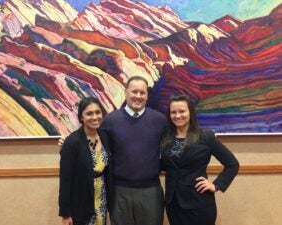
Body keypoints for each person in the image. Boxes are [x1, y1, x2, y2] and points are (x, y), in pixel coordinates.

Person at [160, 94, 239, 225]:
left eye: (182, 111)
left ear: (190, 112)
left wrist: (216, 185)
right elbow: (167, 165)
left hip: (198, 203)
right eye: (173, 112)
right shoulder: (166, 138)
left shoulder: (205, 137)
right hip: (173, 203)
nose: (177, 115)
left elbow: (232, 164)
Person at [100, 76, 167, 225]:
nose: (138, 96)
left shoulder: (160, 120)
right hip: (119, 191)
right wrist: (68, 142)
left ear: (147, 95)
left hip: (150, 190)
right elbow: (92, 144)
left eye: (142, 92)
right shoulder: (110, 121)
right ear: (126, 93)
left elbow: (176, 144)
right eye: (134, 91)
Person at [58, 97, 111, 225]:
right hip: (81, 200)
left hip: (101, 197)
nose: (95, 117)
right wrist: (66, 214)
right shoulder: (72, 142)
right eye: (89, 113)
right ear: (81, 117)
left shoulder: (105, 136)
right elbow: (65, 180)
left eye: (98, 112)